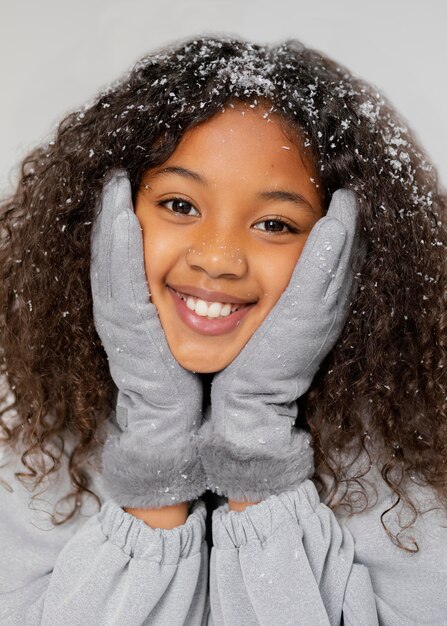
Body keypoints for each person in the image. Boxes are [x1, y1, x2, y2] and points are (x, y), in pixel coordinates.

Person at [0, 36, 445, 625]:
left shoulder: (413, 467)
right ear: (105, 218)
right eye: (181, 206)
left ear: (345, 251)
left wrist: (255, 434)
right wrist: (156, 435)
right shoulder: (28, 441)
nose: (218, 259)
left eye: (274, 222)